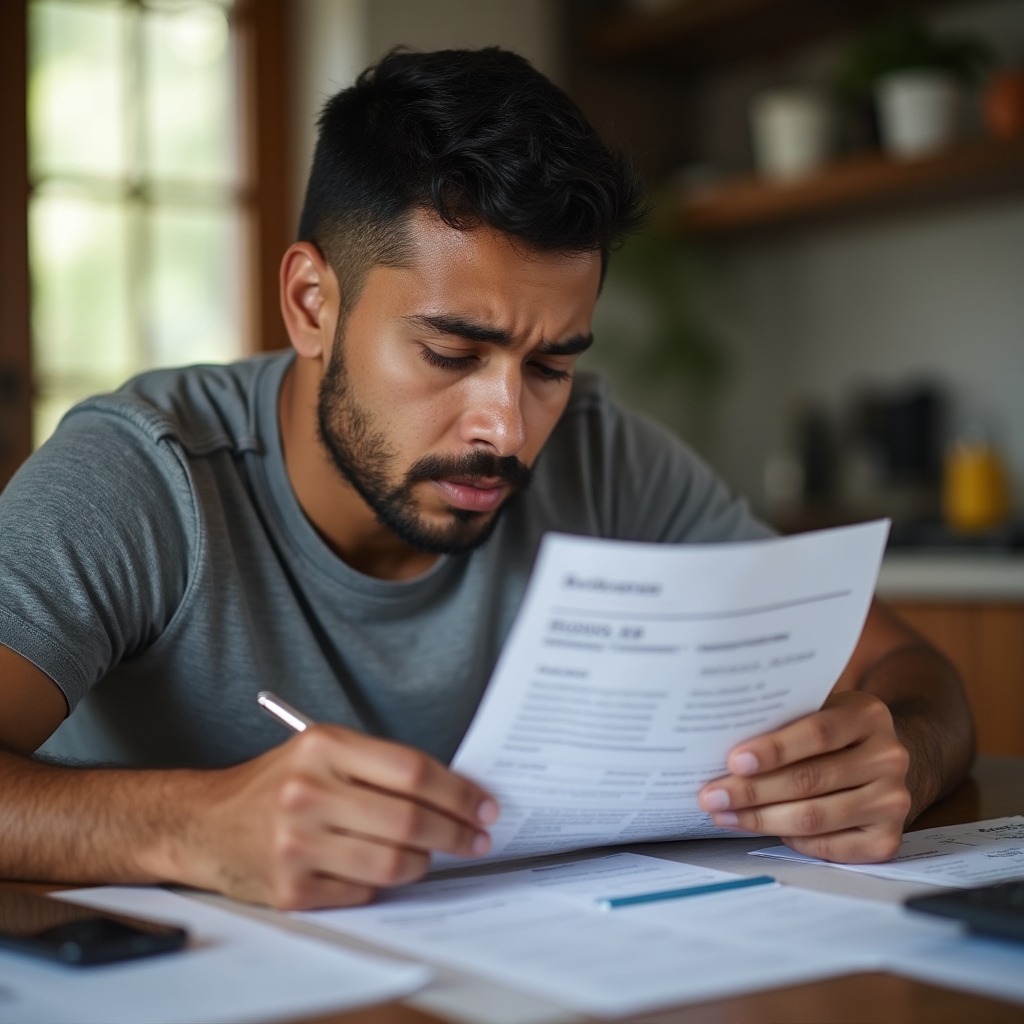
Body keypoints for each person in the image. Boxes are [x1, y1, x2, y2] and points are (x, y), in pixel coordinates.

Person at [0, 48, 973, 911]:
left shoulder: (600, 456)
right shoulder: (140, 476)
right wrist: (192, 825)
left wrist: (897, 755)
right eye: (451, 353)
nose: (506, 428)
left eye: (549, 365)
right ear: (311, 304)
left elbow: (913, 674)